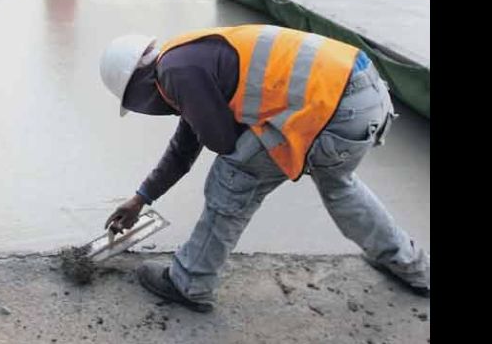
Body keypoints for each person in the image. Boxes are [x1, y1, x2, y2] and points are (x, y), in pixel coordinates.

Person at [99, 25, 430, 313]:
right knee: (340, 185)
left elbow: (220, 140)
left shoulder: (175, 73)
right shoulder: (187, 55)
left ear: (137, 89)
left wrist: (229, 130)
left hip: (332, 108)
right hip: (364, 97)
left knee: (232, 177)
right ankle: (410, 265)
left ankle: (190, 282)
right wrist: (141, 199)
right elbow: (185, 146)